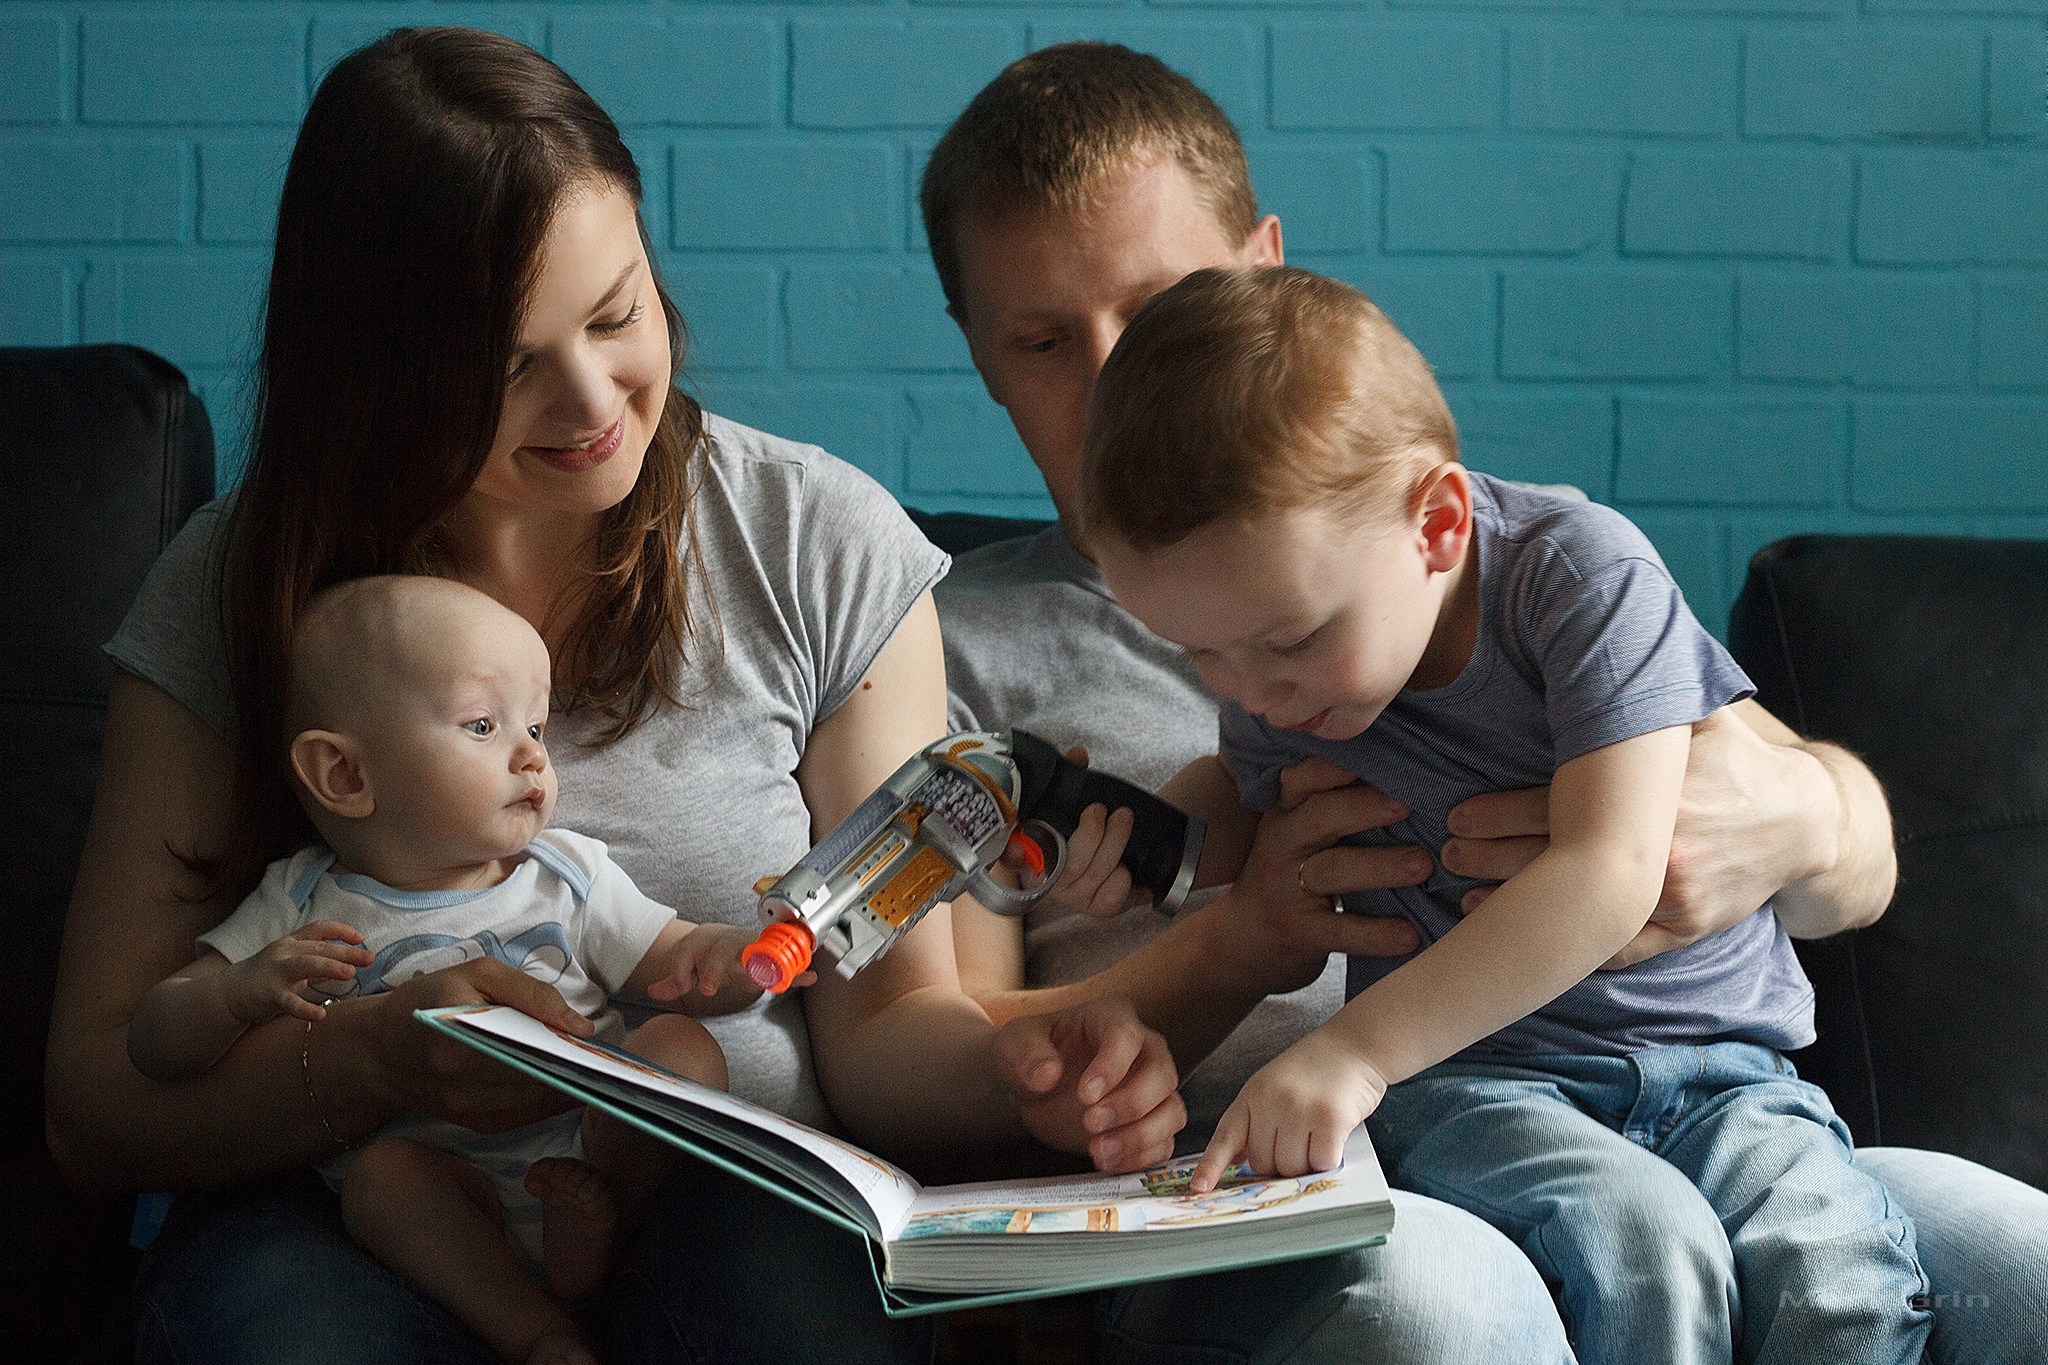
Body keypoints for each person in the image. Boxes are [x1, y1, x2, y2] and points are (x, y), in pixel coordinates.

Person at [45, 28, 1186, 1365]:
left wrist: (1026, 1072)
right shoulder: (239, 582)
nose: (594, 399)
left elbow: (885, 1036)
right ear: (375, 368)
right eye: (509, 361)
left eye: (615, 313)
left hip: (730, 1202)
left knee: (794, 1319)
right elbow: (92, 1112)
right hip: (351, 1211)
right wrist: (376, 1063)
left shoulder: (814, 539)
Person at [924, 40, 2048, 1365]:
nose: (1119, 374)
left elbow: (1817, 843)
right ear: (982, 358)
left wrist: (1802, 813)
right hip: (1366, 1142)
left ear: (1265, 266)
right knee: (1532, 1285)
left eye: (1163, 300)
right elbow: (938, 1063)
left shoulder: (1483, 564)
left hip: (1705, 1078)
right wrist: (1222, 924)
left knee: (1987, 1272)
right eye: (1046, 339)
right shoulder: (973, 642)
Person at [1085, 263, 1931, 1364]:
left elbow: (1607, 871)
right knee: (1642, 1244)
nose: (1253, 693)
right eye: (1198, 653)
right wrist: (1138, 842)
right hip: (1478, 1085)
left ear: (1434, 525)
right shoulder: (1289, 666)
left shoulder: (1575, 577)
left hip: (1721, 1069)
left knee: (1833, 1281)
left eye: (1287, 642)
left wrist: (1351, 1052)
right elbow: (1249, 809)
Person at [128, 574, 797, 1365]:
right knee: (382, 1184)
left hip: (587, 1141)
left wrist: (737, 959)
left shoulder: (566, 872)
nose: (533, 757)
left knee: (682, 1044)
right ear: (345, 775)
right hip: (448, 1189)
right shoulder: (302, 903)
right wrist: (235, 993)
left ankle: (606, 1216)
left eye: (538, 728)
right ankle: (538, 1331)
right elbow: (154, 1039)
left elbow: (672, 960)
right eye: (483, 724)